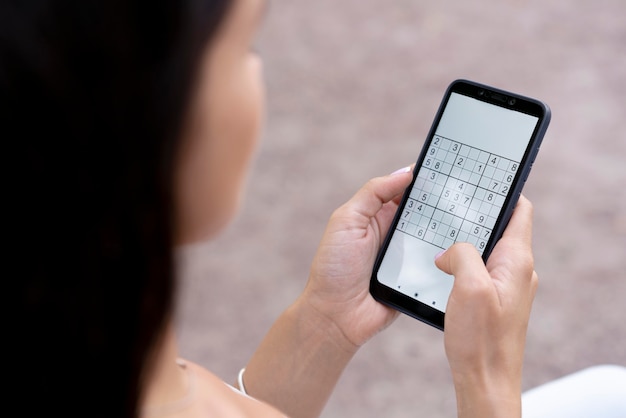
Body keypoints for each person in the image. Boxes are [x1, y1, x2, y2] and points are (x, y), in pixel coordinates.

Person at [5, 0, 545, 417]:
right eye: (246, 49)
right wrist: (489, 384)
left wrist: (327, 320)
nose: (258, 76)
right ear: (152, 109)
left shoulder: (91, 343)